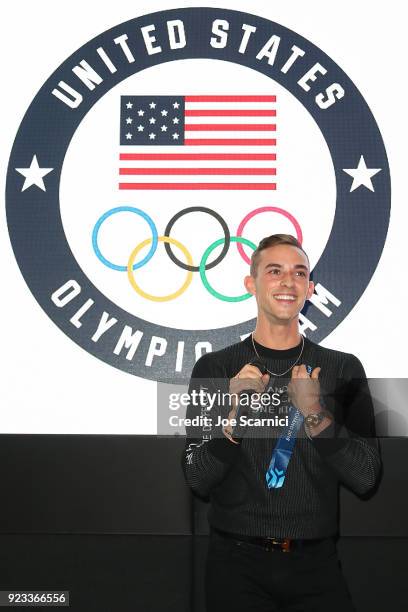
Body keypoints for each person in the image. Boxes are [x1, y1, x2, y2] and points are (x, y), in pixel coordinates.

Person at [181, 234, 381, 612]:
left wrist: (315, 414)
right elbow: (197, 479)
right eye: (274, 271)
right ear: (250, 283)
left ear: (310, 289)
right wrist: (236, 416)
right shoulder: (215, 369)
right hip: (236, 566)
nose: (288, 282)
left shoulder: (343, 368)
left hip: (316, 564)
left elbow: (367, 476)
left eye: (299, 273)